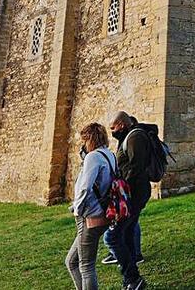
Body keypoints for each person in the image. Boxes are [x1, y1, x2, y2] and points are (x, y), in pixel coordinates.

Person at [105, 111, 153, 290]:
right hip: (132, 194)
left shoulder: (135, 137)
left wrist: (123, 187)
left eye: (113, 127)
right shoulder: (127, 137)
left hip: (134, 194)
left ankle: (132, 276)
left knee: (113, 237)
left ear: (122, 124)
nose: (112, 131)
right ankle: (132, 277)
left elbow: (136, 167)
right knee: (127, 232)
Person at [66, 123, 115, 290]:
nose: (82, 143)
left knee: (86, 266)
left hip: (90, 215)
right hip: (102, 212)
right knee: (71, 261)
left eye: (84, 139)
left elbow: (85, 187)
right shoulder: (109, 155)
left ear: (90, 139)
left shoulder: (93, 157)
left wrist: (77, 209)